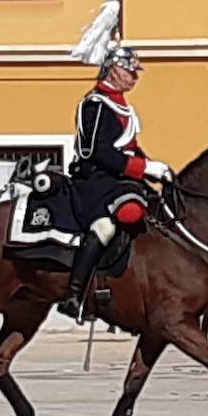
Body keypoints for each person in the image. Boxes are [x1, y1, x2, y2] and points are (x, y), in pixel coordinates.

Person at [58, 40, 171, 322]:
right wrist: (141, 167)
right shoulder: (95, 105)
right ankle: (75, 293)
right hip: (95, 181)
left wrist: (153, 169)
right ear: (113, 70)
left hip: (120, 180)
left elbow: (129, 148)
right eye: (130, 71)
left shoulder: (122, 106)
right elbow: (98, 152)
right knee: (106, 225)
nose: (135, 77)